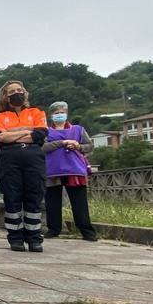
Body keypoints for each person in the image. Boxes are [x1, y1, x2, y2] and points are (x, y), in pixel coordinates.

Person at [0, 80, 49, 252]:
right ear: (6, 96)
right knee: (12, 197)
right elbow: (0, 137)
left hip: (33, 157)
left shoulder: (37, 112)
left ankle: (34, 238)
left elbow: (40, 135)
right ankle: (15, 238)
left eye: (20, 89)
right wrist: (27, 131)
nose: (17, 93)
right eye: (12, 91)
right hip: (9, 159)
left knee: (34, 196)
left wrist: (14, 134)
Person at [44, 101, 99, 241]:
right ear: (51, 116)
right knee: (52, 202)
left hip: (74, 169)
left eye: (62, 112)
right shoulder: (46, 131)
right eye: (56, 113)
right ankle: (53, 229)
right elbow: (42, 148)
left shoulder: (78, 130)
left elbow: (89, 146)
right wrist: (61, 143)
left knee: (79, 201)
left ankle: (87, 230)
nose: (59, 115)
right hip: (52, 170)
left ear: (67, 114)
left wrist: (78, 146)